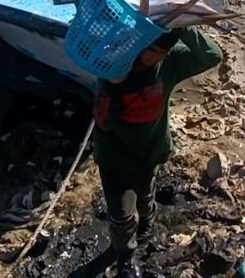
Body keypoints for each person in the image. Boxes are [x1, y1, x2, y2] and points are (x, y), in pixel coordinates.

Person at [73, 28, 223, 278]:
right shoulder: (114, 68)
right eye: (151, 51)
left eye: (161, 53)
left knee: (145, 194)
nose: (154, 58)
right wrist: (113, 87)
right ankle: (126, 255)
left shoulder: (170, 62)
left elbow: (212, 55)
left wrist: (182, 27)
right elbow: (105, 123)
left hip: (151, 149)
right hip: (114, 158)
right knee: (121, 217)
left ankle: (146, 226)